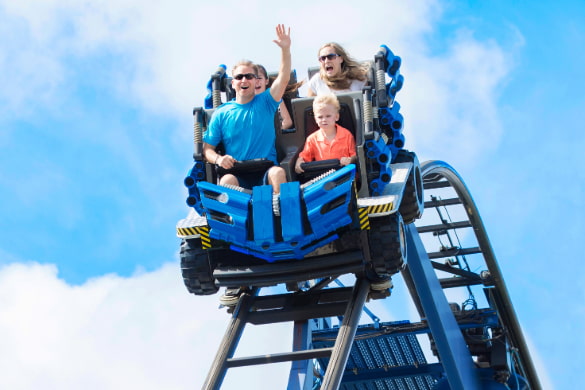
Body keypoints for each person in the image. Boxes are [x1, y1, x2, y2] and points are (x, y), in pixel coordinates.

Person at [202, 24, 291, 196]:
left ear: (255, 80)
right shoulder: (222, 113)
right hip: (238, 173)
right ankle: (241, 218)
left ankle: (281, 214)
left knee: (278, 173)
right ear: (233, 83)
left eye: (249, 76)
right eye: (239, 77)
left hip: (265, 169)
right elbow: (207, 150)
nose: (244, 80)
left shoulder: (266, 101)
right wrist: (219, 159)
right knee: (226, 181)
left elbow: (284, 77)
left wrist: (285, 50)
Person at [295, 93, 356, 174]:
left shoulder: (347, 135)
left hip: (344, 175)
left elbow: (355, 156)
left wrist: (349, 160)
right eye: (320, 117)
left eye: (328, 116)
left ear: (336, 117)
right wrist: (298, 163)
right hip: (323, 177)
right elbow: (304, 157)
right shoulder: (312, 139)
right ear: (315, 119)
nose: (324, 120)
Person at [255, 64, 294, 130]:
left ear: (266, 81)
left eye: (259, 78)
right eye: (253, 79)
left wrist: (276, 131)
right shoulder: (246, 102)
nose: (256, 81)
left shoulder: (276, 97)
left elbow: (287, 122)